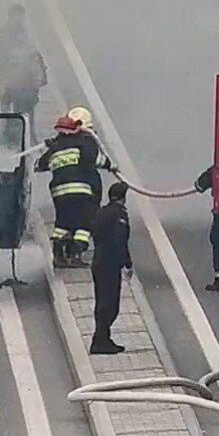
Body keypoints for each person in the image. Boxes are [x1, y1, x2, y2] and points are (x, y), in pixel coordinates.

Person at [35, 109, 115, 268]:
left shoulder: (55, 147)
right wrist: (111, 165)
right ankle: (75, 254)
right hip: (81, 190)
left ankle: (58, 255)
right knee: (86, 223)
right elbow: (94, 159)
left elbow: (39, 165)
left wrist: (54, 147)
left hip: (59, 193)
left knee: (63, 222)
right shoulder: (85, 142)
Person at [0, 4, 48, 140]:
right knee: (10, 108)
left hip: (24, 81)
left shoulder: (24, 33)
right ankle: (11, 135)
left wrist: (38, 77)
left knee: (27, 108)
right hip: (11, 79)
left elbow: (33, 55)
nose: (20, 19)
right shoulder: (2, 34)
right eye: (18, 16)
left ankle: (29, 134)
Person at [89, 182, 133, 355]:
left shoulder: (101, 211)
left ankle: (102, 338)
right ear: (123, 198)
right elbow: (119, 240)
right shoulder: (119, 215)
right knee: (110, 304)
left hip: (98, 261)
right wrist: (127, 262)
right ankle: (100, 340)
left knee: (102, 300)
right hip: (110, 263)